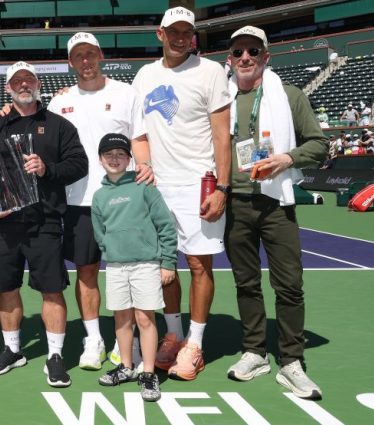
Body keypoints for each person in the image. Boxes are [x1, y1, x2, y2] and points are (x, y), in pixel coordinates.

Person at [223, 26, 326, 400]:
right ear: (230, 60)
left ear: (266, 57)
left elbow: (319, 143)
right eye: (238, 52)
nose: (245, 58)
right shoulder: (221, 99)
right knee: (246, 283)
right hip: (236, 202)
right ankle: (255, 351)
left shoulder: (289, 96)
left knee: (289, 285)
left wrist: (287, 158)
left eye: (253, 51)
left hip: (276, 202)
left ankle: (291, 360)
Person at [132, 6, 232, 381]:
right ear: (160, 33)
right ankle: (173, 335)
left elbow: (223, 135)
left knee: (198, 265)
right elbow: (138, 133)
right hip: (158, 188)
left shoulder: (209, 72)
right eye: (172, 30)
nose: (179, 37)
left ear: (193, 36)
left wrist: (222, 186)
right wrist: (146, 169)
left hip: (198, 184)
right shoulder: (145, 75)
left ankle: (195, 344)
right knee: (165, 269)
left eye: (185, 32)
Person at [0, 61, 87, 387]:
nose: (23, 85)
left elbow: (78, 164)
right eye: (17, 81)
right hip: (5, 223)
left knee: (51, 289)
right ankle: (12, 350)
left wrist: (46, 168)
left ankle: (55, 355)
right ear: (8, 88)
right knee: (6, 287)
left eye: (28, 80)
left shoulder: (59, 126)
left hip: (44, 219)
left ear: (38, 84)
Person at [47, 32, 153, 371]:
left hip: (124, 199)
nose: (86, 61)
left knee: (129, 270)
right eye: (79, 56)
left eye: (91, 53)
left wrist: (146, 167)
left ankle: (130, 341)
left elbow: (139, 138)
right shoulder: (58, 101)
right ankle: (93, 338)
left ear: (101, 55)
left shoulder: (125, 93)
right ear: (70, 62)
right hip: (78, 201)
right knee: (87, 271)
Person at [91, 133, 177, 402]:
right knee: (122, 319)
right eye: (109, 155)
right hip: (116, 267)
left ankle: (148, 372)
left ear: (129, 159)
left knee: (144, 318)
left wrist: (168, 262)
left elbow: (165, 225)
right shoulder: (99, 196)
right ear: (100, 160)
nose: (114, 159)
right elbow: (100, 234)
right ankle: (126, 367)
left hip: (146, 265)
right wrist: (112, 252)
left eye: (120, 154)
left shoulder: (144, 187)